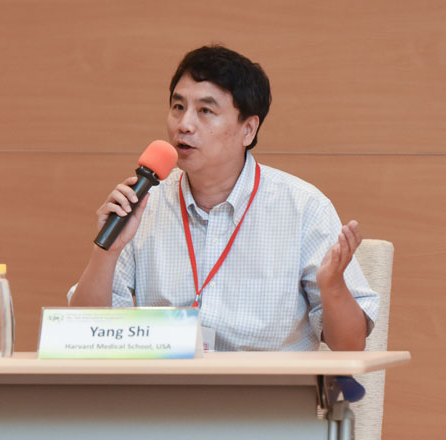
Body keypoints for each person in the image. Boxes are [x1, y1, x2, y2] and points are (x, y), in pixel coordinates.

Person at [69, 45, 379, 352]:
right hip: (168, 384)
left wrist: (332, 286)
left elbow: (350, 346)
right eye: (178, 107)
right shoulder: (144, 204)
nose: (184, 124)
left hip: (267, 385)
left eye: (205, 111)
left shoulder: (304, 209)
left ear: (248, 129)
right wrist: (106, 253)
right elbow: (85, 333)